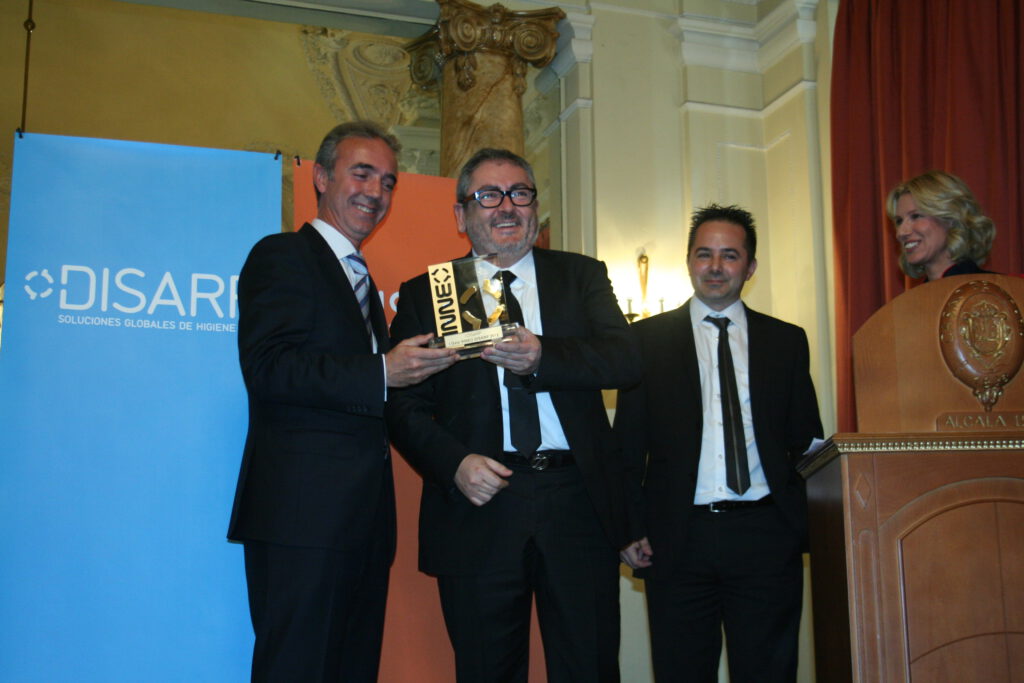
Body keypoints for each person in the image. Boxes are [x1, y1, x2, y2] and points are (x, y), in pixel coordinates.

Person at [385, 148, 642, 682]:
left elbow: (626, 360)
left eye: (519, 193)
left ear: (535, 209)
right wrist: (454, 463)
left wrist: (545, 356)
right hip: (481, 504)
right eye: (488, 196)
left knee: (590, 666)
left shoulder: (579, 275)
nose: (506, 207)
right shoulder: (431, 292)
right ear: (461, 215)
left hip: (576, 503)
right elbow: (402, 405)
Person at [227, 121, 457, 682]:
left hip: (363, 525)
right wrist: (383, 370)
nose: (376, 192)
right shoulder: (283, 255)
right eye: (362, 173)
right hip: (301, 521)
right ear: (322, 178)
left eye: (388, 181)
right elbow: (269, 368)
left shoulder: (363, 282)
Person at [614, 204, 823, 682]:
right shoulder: (644, 341)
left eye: (730, 255)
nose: (715, 266)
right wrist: (628, 527)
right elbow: (626, 447)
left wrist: (801, 524)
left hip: (766, 538)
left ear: (750, 267)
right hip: (677, 541)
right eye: (704, 254)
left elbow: (806, 443)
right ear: (689, 261)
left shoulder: (786, 341)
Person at [886, 170, 995, 281]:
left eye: (916, 216)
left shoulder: (995, 288)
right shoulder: (916, 293)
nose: (901, 233)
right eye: (899, 221)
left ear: (951, 219)